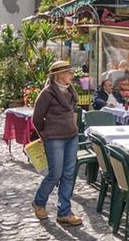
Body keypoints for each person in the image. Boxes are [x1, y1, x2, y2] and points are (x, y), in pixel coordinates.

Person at [31, 60, 83, 227]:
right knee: (55, 174)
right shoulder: (47, 94)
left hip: (72, 136)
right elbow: (37, 119)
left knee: (68, 175)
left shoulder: (70, 92)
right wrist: (45, 135)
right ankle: (39, 202)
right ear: (59, 75)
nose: (72, 75)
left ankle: (64, 212)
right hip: (54, 139)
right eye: (69, 72)